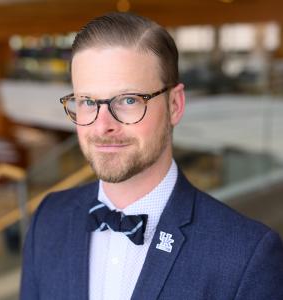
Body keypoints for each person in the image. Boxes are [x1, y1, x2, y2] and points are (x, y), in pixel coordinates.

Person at [20, 12, 283, 300]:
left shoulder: (246, 255)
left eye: (129, 100)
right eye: (87, 101)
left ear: (175, 105)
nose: (102, 124)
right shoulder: (48, 218)